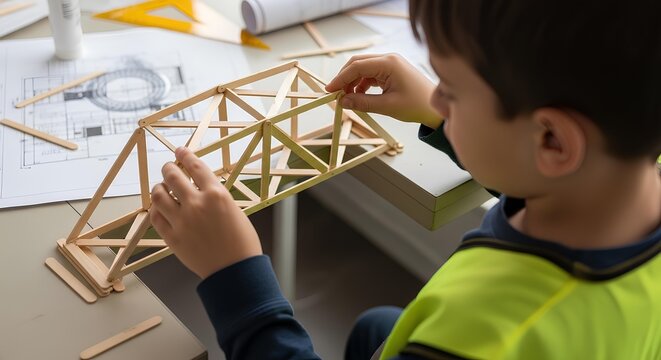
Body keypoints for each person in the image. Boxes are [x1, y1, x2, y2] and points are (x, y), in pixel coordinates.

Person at [149, 0, 661, 358]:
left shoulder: (482, 340)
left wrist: (237, 279)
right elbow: (545, 178)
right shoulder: (621, 177)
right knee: (377, 326)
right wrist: (445, 120)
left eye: (451, 92)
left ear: (551, 141)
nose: (435, 97)